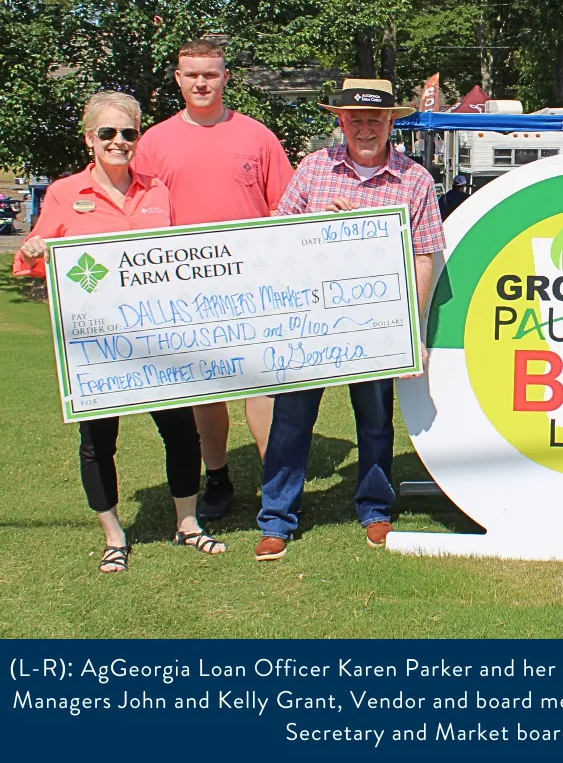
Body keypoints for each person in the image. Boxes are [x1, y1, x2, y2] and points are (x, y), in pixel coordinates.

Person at [13, 92, 225, 572]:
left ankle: (187, 523)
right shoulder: (66, 193)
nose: (118, 142)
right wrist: (31, 250)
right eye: (107, 133)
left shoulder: (157, 191)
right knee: (98, 442)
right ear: (90, 137)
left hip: (155, 339)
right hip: (96, 347)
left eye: (128, 133)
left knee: (181, 432)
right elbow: (33, 261)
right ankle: (113, 534)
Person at [254, 78, 445, 561]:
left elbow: (425, 258)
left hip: (377, 327)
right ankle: (277, 518)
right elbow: (278, 237)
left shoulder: (415, 179)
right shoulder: (313, 169)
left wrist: (411, 331)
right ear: (340, 121)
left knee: (376, 422)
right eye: (355, 119)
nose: (364, 128)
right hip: (310, 325)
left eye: (374, 120)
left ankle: (375, 509)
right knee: (290, 420)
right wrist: (323, 226)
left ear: (390, 123)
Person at [137, 37, 294, 520]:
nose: (202, 82)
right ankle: (219, 478)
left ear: (226, 77)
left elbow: (284, 208)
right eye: (192, 74)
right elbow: (136, 215)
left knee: (262, 385)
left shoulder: (257, 137)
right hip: (187, 288)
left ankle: (275, 484)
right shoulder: (154, 143)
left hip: (253, 284)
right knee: (206, 390)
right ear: (178, 78)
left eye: (211, 73)